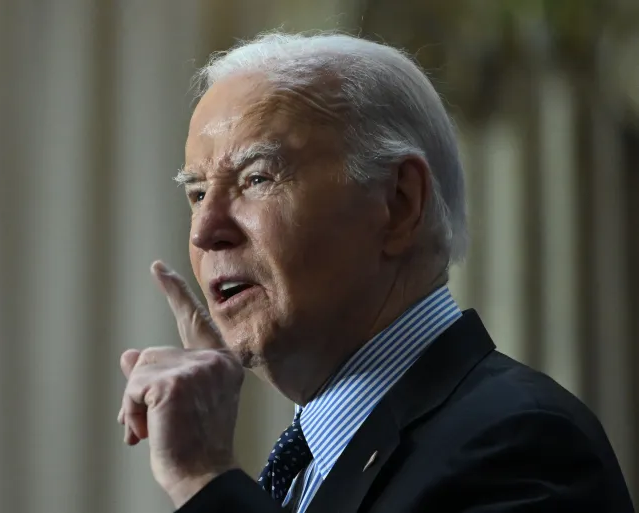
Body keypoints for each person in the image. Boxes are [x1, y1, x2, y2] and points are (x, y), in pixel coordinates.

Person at [117, 32, 634, 512]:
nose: (205, 231)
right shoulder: (312, 466)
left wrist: (204, 478)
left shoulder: (520, 446)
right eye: (197, 193)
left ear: (399, 203)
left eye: (257, 179)